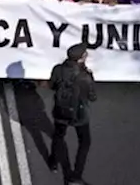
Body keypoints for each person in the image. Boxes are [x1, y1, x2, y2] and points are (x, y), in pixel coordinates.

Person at [47, 44, 97, 184]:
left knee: (58, 135)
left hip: (60, 110)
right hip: (79, 114)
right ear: (81, 59)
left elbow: (52, 85)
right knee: (84, 142)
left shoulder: (58, 69)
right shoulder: (85, 77)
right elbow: (92, 97)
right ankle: (75, 176)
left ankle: (53, 161)